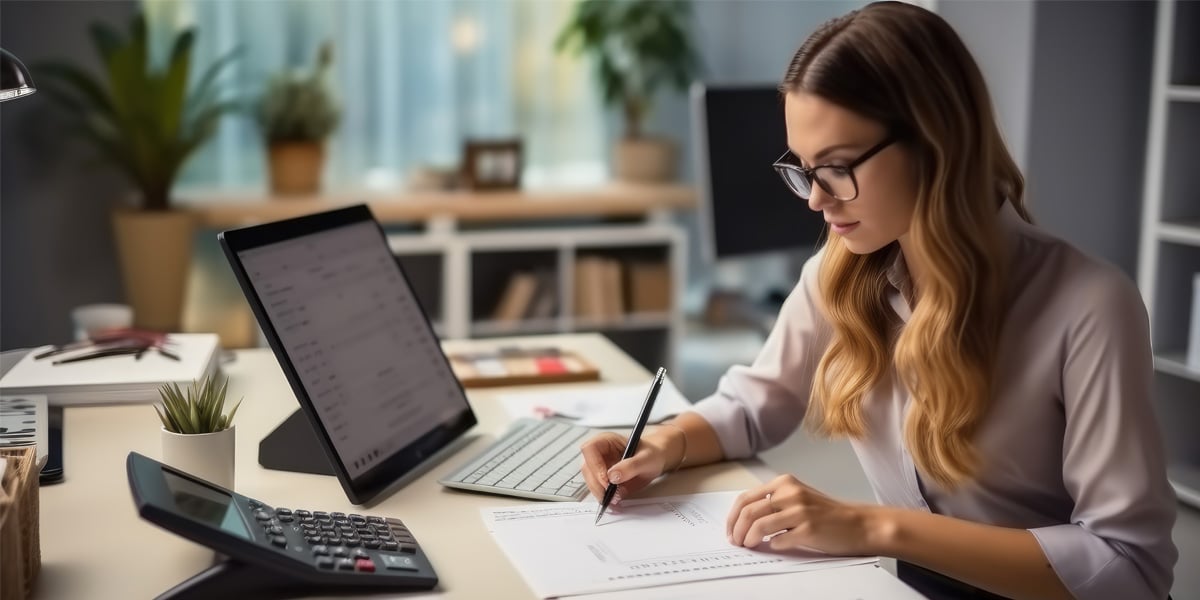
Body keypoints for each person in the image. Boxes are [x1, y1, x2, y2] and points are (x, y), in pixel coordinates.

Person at [578, 3, 1178, 599]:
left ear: (933, 142)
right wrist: (661, 445)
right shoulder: (839, 276)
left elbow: (1128, 567)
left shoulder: (1090, 306)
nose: (815, 200)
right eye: (803, 169)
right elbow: (754, 405)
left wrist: (874, 526)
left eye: (836, 168)